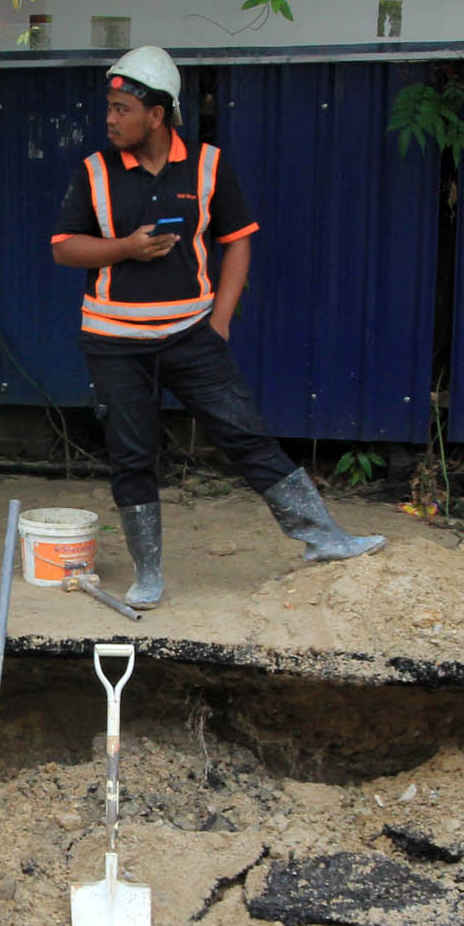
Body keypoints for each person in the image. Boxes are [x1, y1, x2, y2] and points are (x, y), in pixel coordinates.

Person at [50, 47, 384, 609]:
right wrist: (126, 247)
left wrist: (221, 319)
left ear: (157, 114)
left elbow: (237, 241)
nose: (109, 118)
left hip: (190, 335)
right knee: (132, 455)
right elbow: (64, 249)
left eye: (121, 108)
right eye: (109, 107)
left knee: (245, 434)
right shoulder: (94, 172)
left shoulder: (208, 164)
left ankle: (323, 538)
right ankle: (148, 573)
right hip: (113, 343)